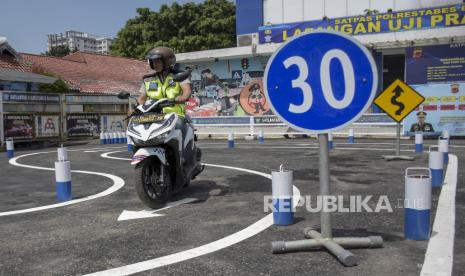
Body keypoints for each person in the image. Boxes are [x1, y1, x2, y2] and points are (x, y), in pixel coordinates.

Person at [136, 46, 191, 117]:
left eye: (157, 62)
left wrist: (181, 98)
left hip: (176, 116)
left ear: (167, 62)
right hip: (153, 117)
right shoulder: (148, 79)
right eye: (153, 62)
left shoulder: (179, 75)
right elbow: (141, 98)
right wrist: (137, 108)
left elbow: (187, 93)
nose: (155, 64)